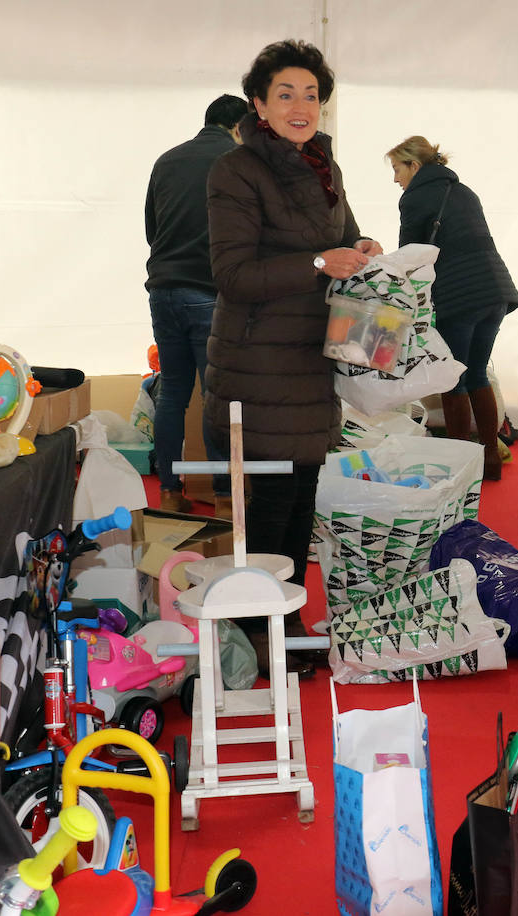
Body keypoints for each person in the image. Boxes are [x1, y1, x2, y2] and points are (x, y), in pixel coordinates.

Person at [204, 40, 382, 675]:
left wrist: (358, 246)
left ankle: (284, 612)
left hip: (311, 360)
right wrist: (315, 263)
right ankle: (258, 625)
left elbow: (340, 237)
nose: (301, 105)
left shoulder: (321, 167)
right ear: (259, 103)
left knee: (301, 493)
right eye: (286, 93)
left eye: (311, 95)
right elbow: (232, 274)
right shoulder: (236, 171)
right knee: (271, 499)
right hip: (258, 363)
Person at [387, 136, 518, 481]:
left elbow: (411, 255)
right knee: (476, 372)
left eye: (397, 169)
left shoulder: (415, 197)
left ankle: (460, 463)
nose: (395, 178)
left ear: (414, 165)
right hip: (495, 290)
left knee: (452, 378)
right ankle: (490, 456)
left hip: (459, 294)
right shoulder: (464, 191)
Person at [144, 94, 245, 517]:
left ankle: (169, 491)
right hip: (207, 293)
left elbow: (152, 228)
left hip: (162, 289)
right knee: (215, 396)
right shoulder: (235, 162)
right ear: (239, 127)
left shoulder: (166, 160)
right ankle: (224, 496)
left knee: (172, 396)